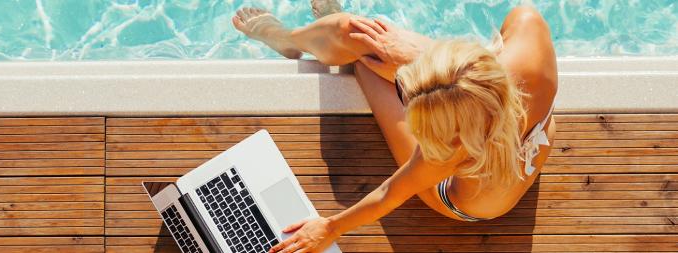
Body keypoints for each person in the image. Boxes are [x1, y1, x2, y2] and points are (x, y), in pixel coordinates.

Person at [232, 1, 559, 252]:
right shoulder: (532, 52)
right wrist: (422, 59)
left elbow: (389, 194)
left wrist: (329, 228)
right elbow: (487, 64)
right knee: (356, 31)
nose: (401, 89)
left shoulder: (450, 155)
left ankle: (290, 40)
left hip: (457, 200)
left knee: (363, 58)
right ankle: (301, 38)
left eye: (404, 92)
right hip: (492, 133)